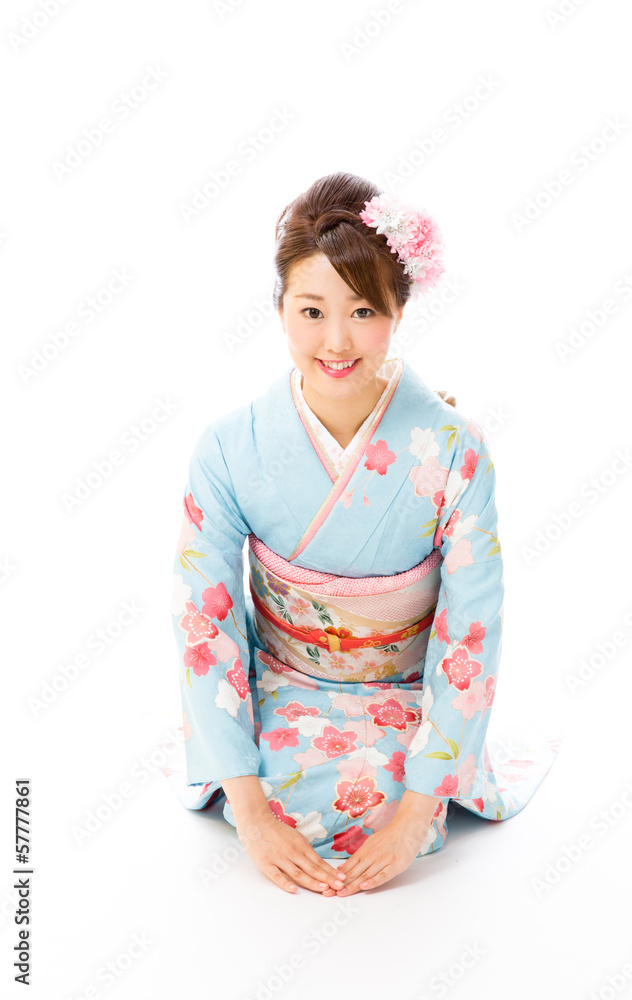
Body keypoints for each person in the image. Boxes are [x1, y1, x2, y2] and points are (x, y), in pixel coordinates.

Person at [162, 171, 561, 897]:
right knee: (275, 788)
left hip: (408, 690)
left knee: (380, 794)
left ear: (399, 309)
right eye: (311, 310)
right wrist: (249, 811)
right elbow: (205, 619)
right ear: (280, 307)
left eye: (363, 309)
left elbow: (472, 624)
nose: (337, 341)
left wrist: (415, 809)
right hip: (282, 680)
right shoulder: (226, 448)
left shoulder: (451, 446)